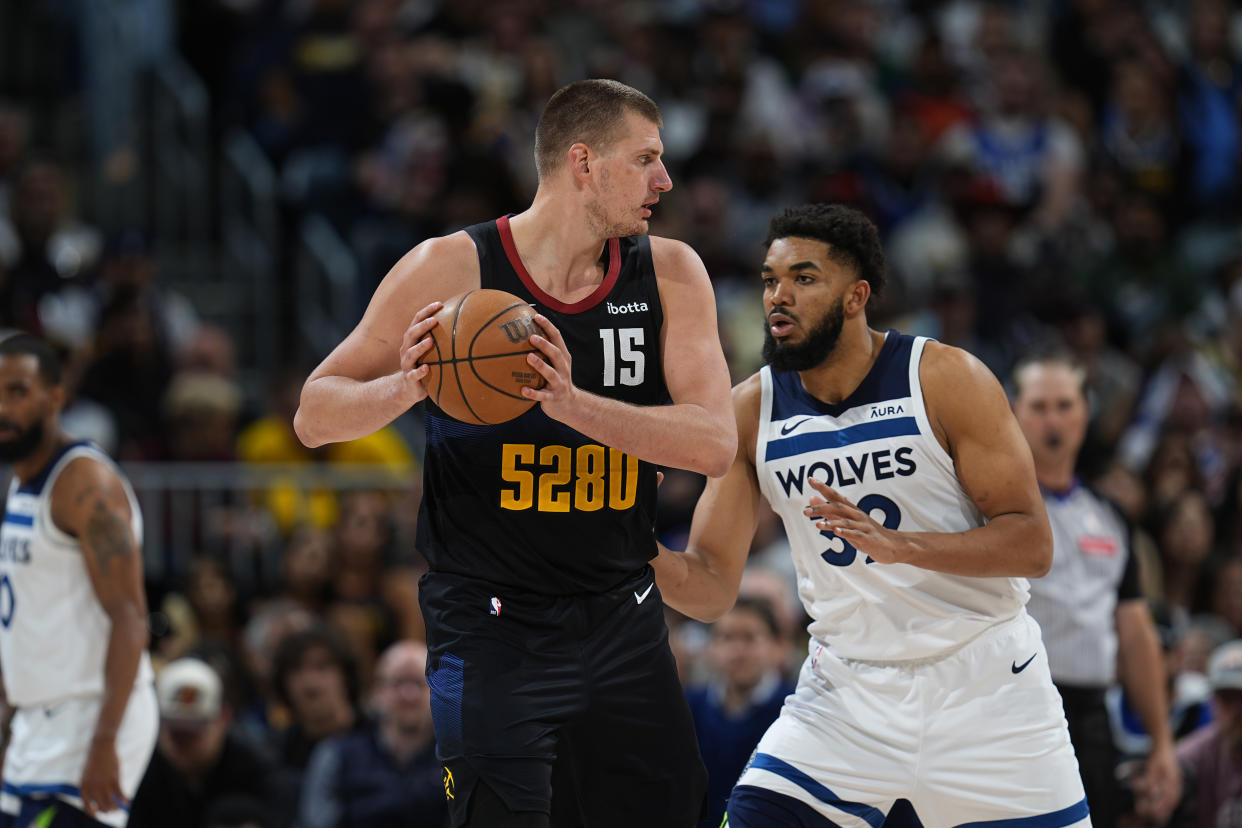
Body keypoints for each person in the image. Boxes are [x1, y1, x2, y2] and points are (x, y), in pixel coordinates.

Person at [294, 78, 735, 827]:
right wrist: (405, 386)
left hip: (621, 613)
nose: (665, 180)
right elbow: (314, 414)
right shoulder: (449, 268)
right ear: (583, 162)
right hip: (491, 621)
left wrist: (571, 404)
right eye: (647, 160)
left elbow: (715, 446)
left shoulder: (670, 272)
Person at [652, 203, 1088, 826]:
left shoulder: (942, 377)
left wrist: (905, 546)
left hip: (988, 690)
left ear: (856, 295)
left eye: (804, 278)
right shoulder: (749, 410)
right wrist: (629, 549)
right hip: (846, 696)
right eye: (771, 280)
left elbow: (1032, 544)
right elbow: (711, 587)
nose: (780, 296)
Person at [1012, 348, 1184, 826]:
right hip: (1011, 707)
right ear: (1014, 412)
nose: (1054, 419)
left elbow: (1135, 632)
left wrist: (1162, 744)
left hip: (1090, 714)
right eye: (1040, 406)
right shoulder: (992, 509)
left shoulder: (1110, 517)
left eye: (1065, 405)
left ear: (1085, 413)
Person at [0, 334, 157, 826]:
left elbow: (131, 616)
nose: (3, 407)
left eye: (17, 391)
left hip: (93, 717)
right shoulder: (22, 477)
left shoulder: (85, 485)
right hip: (37, 721)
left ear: (56, 397)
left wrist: (106, 741)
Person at [299, 640, 447, 828]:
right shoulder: (336, 755)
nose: (408, 694)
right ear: (377, 692)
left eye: (419, 683)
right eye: (398, 682)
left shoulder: (455, 759)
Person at [685, 596, 795, 828]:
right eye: (727, 638)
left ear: (778, 647)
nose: (737, 650)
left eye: (750, 638)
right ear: (710, 648)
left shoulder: (796, 710)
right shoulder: (686, 707)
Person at [128, 658, 277, 828]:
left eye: (194, 731)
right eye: (176, 732)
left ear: (224, 717)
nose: (185, 742)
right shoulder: (140, 774)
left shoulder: (257, 772)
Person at [1174, 639, 1242, 828]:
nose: (1237, 711)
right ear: (1213, 703)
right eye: (1228, 699)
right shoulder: (1192, 757)